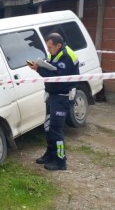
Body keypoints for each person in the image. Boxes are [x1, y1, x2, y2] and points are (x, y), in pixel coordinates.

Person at [28, 33, 79, 171]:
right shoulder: (56, 53)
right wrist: (40, 65)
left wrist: (39, 69)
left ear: (58, 45)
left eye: (50, 47)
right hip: (53, 96)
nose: (48, 50)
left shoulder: (66, 57)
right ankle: (51, 154)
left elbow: (55, 78)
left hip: (62, 97)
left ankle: (61, 160)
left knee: (56, 130)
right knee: (48, 127)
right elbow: (51, 67)